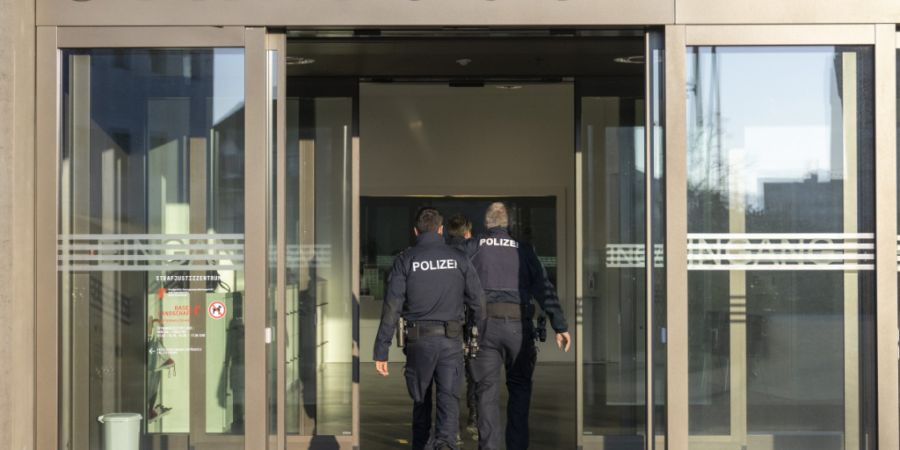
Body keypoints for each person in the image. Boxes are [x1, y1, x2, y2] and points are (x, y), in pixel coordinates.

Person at [373, 207, 486, 450]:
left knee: (421, 401)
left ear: (416, 231)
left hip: (418, 343)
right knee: (449, 402)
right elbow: (478, 302)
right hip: (451, 342)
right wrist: (478, 337)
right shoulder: (459, 258)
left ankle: (421, 445)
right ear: (441, 230)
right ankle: (446, 445)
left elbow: (392, 308)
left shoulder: (406, 259)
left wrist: (381, 350)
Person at [464, 202, 571, 450]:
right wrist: (560, 325)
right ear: (508, 224)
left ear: (487, 223)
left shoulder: (473, 247)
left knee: (485, 392)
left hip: (483, 328)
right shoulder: (524, 250)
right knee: (520, 390)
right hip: (518, 329)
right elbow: (544, 288)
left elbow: (454, 280)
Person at [445, 214, 479, 439]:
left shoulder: (444, 253)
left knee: (450, 372)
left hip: (451, 319)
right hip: (473, 318)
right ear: (467, 233)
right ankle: (474, 418)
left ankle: (452, 427)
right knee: (474, 369)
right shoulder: (475, 251)